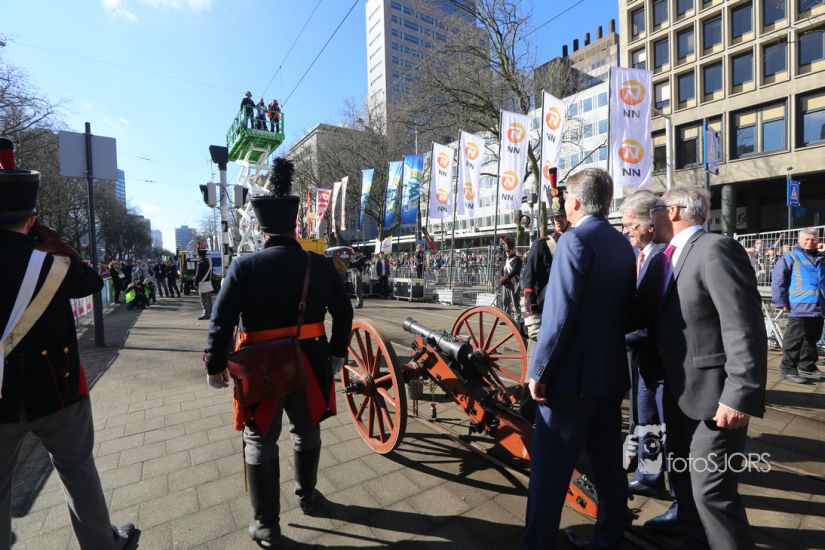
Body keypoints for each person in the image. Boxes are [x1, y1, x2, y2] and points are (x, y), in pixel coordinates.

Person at [203, 158, 352, 548]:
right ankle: (309, 497)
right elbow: (344, 312)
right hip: (310, 362)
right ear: (294, 226)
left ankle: (267, 526)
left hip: (261, 368)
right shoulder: (319, 265)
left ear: (262, 229)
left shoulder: (244, 266)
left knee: (260, 441)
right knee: (307, 430)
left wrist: (215, 364)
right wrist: (337, 352)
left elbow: (220, 321)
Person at [0, 145, 139, 549]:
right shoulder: (50, 263)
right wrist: (52, 240)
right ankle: (100, 544)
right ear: (31, 219)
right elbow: (89, 282)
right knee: (77, 469)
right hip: (56, 389)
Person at [644, 186, 766, 549]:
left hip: (714, 400)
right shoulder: (667, 256)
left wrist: (739, 395)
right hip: (679, 392)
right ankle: (694, 536)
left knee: (713, 493)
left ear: (674, 211)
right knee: (685, 480)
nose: (651, 217)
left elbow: (743, 326)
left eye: (656, 209)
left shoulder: (715, 249)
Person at [525, 168, 635, 549]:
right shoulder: (622, 243)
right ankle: (609, 539)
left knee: (549, 475)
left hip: (570, 381)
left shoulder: (574, 241)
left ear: (574, 202)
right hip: (609, 376)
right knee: (609, 468)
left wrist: (539, 370)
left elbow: (559, 315)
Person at [620, 190, 669, 499]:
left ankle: (678, 495)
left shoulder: (662, 257)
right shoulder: (642, 254)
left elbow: (654, 315)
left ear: (651, 224)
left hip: (657, 356)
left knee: (659, 421)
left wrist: (615, 337)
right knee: (645, 416)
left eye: (631, 225)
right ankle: (648, 476)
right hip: (642, 356)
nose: (626, 231)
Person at [771, 228, 825, 383]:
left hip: (818, 306)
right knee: (794, 339)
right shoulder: (790, 257)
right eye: (806, 239)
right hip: (799, 305)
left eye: (813, 239)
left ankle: (807, 366)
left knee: (812, 338)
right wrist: (781, 302)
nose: (810, 242)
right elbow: (779, 280)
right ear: (799, 240)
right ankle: (788, 368)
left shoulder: (821, 257)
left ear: (818, 240)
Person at [522, 189, 570, 339]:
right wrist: (533, 317)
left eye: (562, 215)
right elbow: (528, 283)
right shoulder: (541, 245)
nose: (558, 220)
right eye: (555, 216)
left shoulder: (577, 242)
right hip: (547, 310)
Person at [498, 237, 522, 322]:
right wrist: (501, 277)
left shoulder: (517, 259)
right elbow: (501, 270)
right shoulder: (506, 260)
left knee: (515, 302)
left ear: (513, 250)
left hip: (514, 283)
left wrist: (505, 278)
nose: (507, 253)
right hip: (506, 284)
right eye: (506, 251)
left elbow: (514, 271)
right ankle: (506, 319)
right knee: (505, 302)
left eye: (508, 251)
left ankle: (517, 319)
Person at [195, 249, 213, 320]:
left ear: (200, 255)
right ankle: (210, 314)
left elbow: (198, 275)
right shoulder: (208, 263)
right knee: (209, 299)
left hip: (202, 283)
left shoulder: (201, 264)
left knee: (203, 300)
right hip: (208, 282)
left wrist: (195, 283)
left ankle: (205, 314)